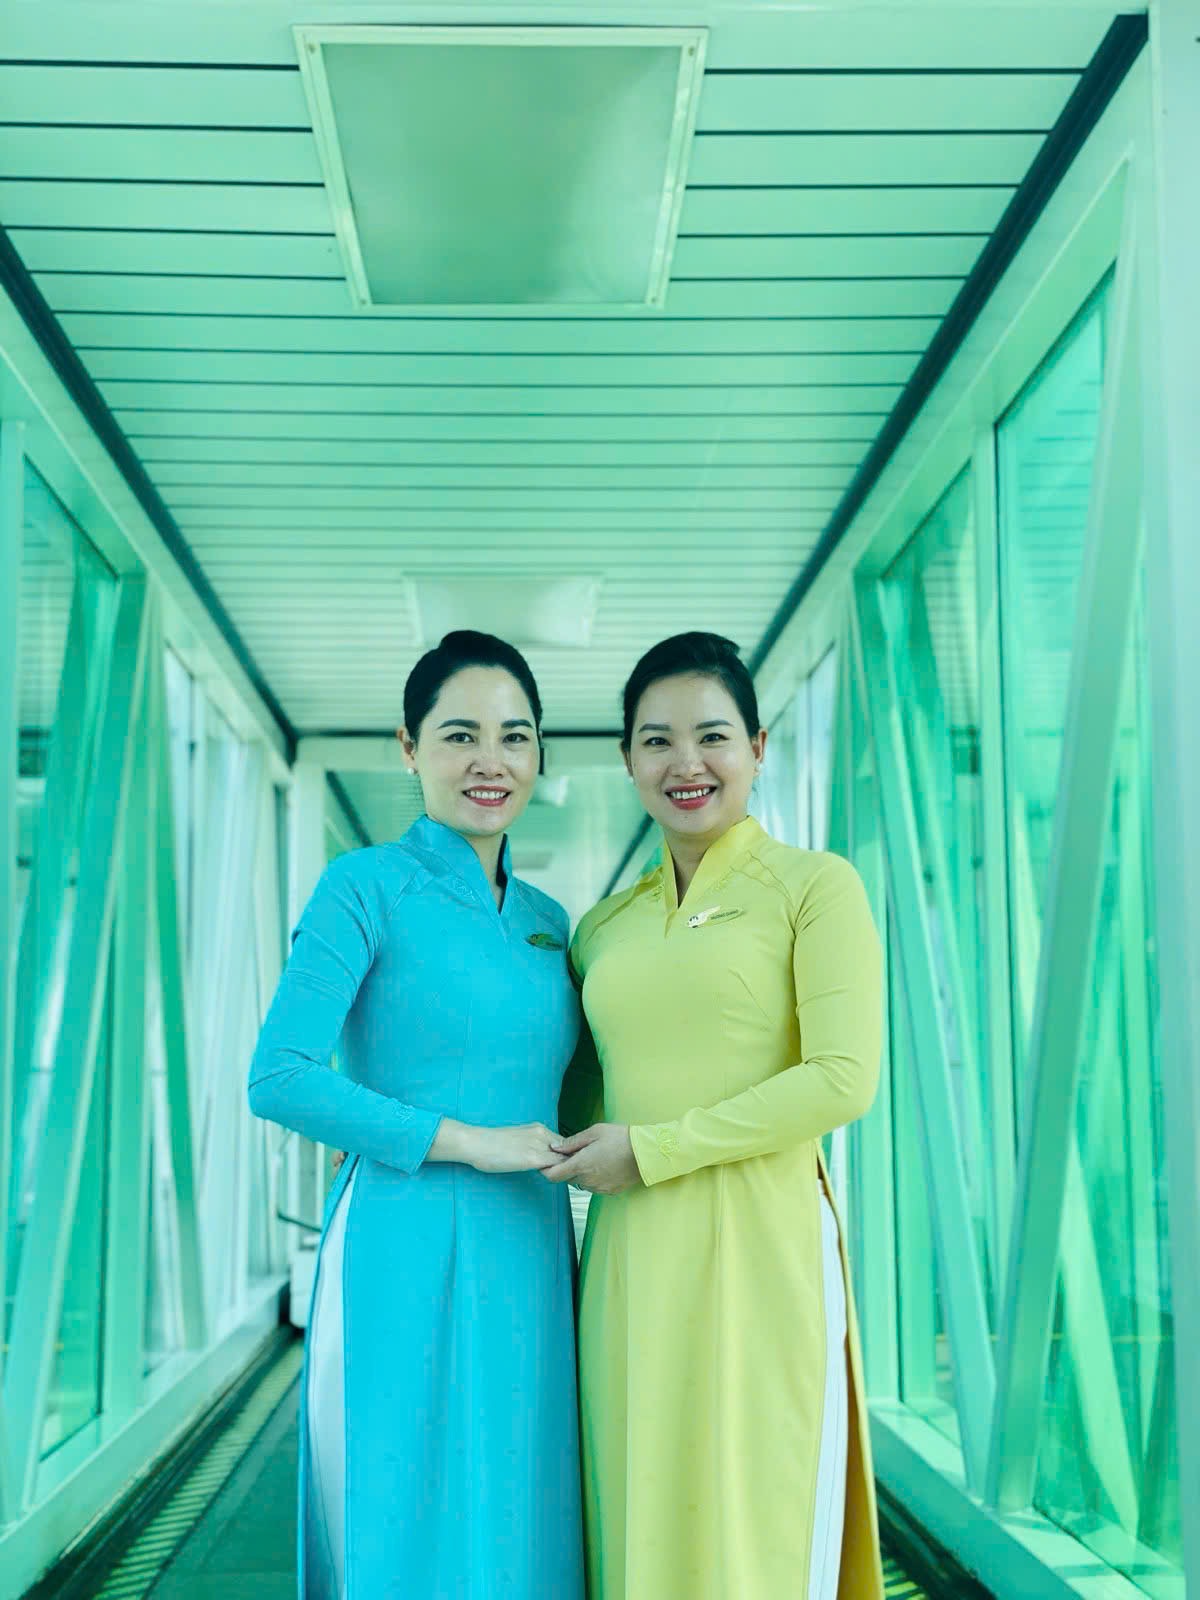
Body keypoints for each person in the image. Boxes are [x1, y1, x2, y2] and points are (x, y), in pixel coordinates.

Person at [546, 631, 885, 1600]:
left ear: (758, 747)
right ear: (627, 759)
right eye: (656, 740)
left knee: (752, 1521)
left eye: (712, 736)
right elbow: (567, 1099)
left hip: (759, 1249)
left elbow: (842, 1079)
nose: (684, 762)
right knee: (637, 1514)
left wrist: (653, 1151)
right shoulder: (601, 926)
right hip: (630, 1260)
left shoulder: (814, 887)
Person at [248, 631, 584, 1600]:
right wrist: (470, 1143)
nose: (491, 761)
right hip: (400, 1234)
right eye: (460, 735)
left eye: (514, 736)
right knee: (401, 1505)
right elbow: (279, 1075)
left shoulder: (552, 921)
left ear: (539, 752)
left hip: (529, 1246)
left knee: (525, 1503)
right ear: (409, 747)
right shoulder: (362, 885)